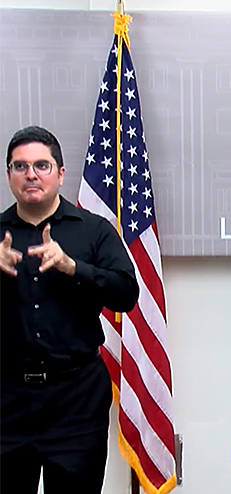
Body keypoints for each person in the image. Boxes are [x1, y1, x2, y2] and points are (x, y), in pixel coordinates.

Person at [0, 126, 139, 493]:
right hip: (6, 400)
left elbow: (126, 294)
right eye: (21, 166)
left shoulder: (93, 231)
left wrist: (74, 267)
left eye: (42, 166)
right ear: (9, 175)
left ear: (60, 174)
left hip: (75, 400)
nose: (31, 174)